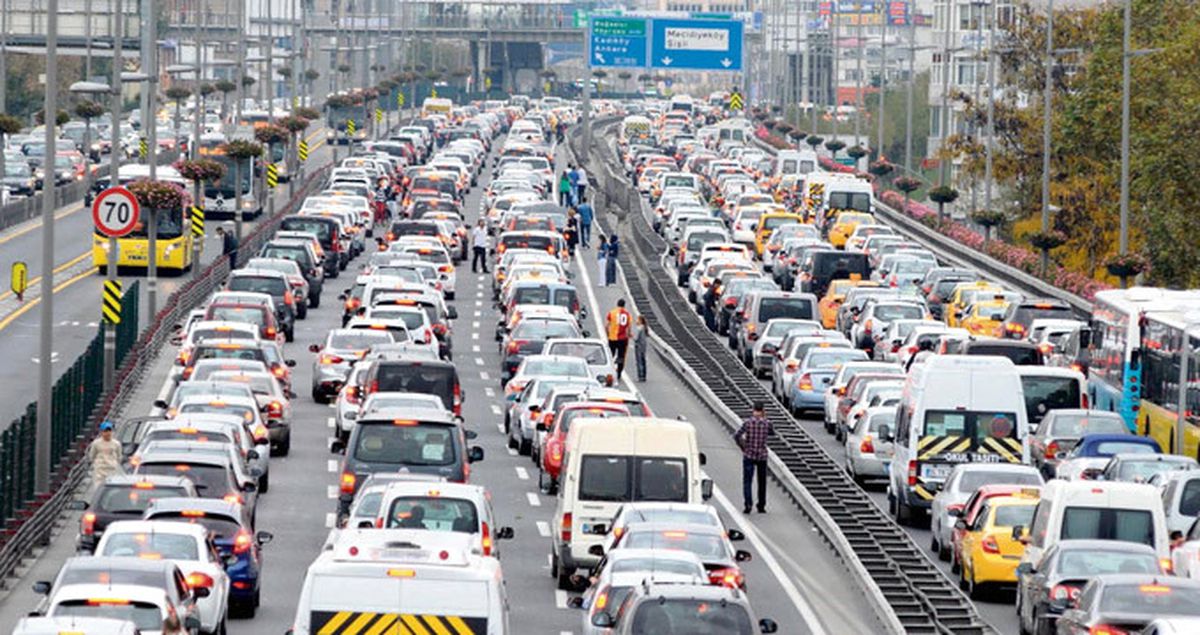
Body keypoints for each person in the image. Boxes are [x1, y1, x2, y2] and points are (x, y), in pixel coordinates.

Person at [734, 402, 774, 514]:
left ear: (753, 409)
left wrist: (743, 446)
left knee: (747, 481)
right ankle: (761, 505)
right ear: (763, 410)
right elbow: (772, 433)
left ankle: (748, 504)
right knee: (762, 482)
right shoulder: (767, 423)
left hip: (749, 455)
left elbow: (737, 435)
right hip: (762, 456)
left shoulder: (748, 423)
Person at [87, 421, 124, 489]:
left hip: (112, 469)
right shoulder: (96, 443)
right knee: (98, 488)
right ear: (101, 432)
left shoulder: (116, 444)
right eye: (105, 431)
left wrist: (114, 463)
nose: (107, 433)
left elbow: (119, 456)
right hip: (100, 470)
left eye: (109, 431)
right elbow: (92, 455)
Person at [606, 299, 633, 377]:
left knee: (611, 354)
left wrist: (608, 334)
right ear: (624, 305)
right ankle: (619, 373)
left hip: (612, 337)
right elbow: (629, 327)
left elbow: (607, 326)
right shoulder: (627, 314)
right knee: (621, 356)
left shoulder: (612, 312)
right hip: (623, 338)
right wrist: (629, 335)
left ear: (617, 304)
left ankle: (610, 370)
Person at [633, 315, 649, 382]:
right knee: (643, 360)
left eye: (637, 320)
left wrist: (632, 336)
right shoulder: (644, 328)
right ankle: (644, 376)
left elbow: (636, 338)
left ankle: (640, 376)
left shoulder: (639, 328)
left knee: (639, 361)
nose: (636, 321)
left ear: (640, 321)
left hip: (638, 346)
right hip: (643, 346)